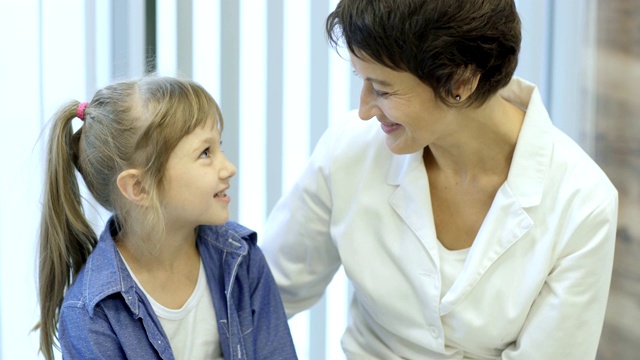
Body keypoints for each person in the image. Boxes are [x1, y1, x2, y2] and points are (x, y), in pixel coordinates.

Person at [261, 0, 618, 359]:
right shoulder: (350, 149)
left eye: (383, 90)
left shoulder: (582, 202)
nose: (366, 109)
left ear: (459, 81)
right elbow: (262, 297)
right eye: (363, 81)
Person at [35, 76, 297, 360]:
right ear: (139, 187)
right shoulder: (91, 315)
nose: (229, 168)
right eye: (205, 153)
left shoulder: (241, 257)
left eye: (219, 146)